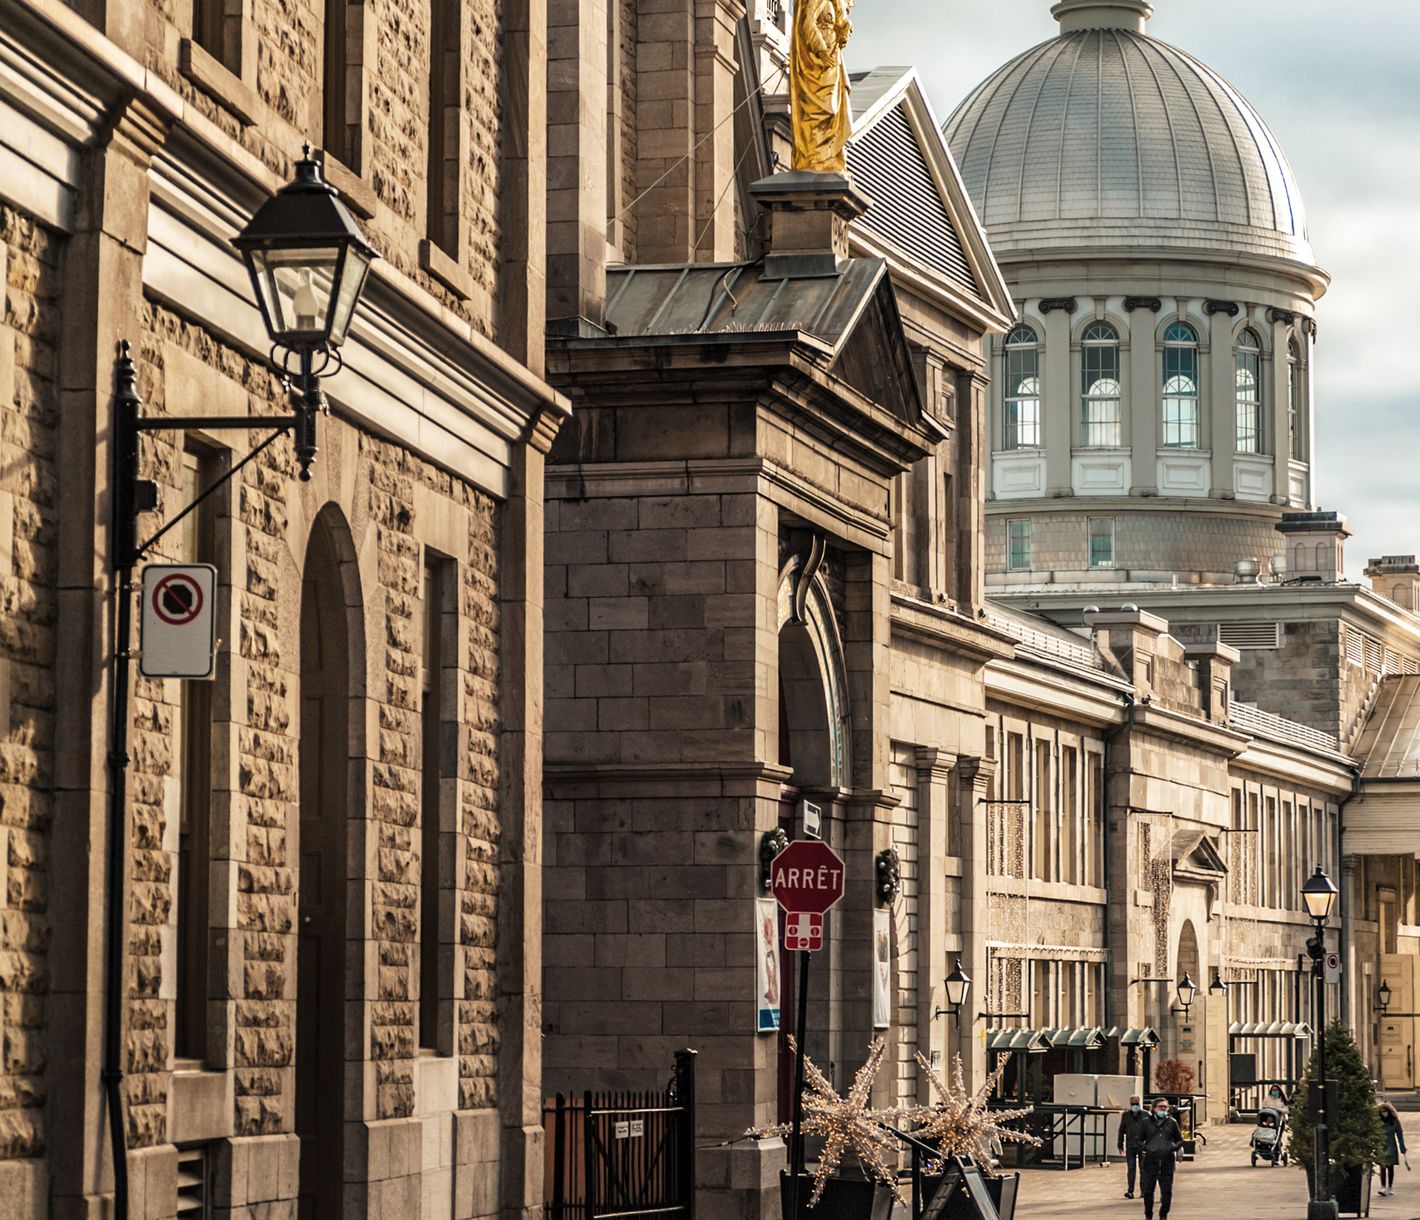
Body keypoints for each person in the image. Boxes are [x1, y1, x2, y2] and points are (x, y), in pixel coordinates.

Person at [1140, 1097, 1184, 1220]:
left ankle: (1163, 1214)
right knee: (1148, 1190)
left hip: (1167, 1160)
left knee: (1167, 1191)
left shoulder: (1172, 1122)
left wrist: (1173, 1147)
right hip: (1150, 1159)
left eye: (1165, 1107)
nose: (1163, 1109)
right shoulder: (1145, 1122)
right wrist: (1146, 1148)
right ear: (1154, 1109)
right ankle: (1148, 1214)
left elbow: (1179, 1139)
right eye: (1161, 1107)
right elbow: (1138, 1140)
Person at [1117, 1095, 1149, 1199]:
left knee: (1143, 1169)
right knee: (1131, 1168)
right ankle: (1130, 1191)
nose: (1135, 1106)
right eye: (1133, 1104)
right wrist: (1120, 1144)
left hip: (1143, 1145)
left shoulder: (1146, 1114)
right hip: (1130, 1145)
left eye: (1136, 1104)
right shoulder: (1126, 1115)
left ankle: (1144, 1191)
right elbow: (1121, 1130)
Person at [1379, 1101, 1407, 1197]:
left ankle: (1390, 1186)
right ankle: (1383, 1186)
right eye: (1382, 1111)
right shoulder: (1377, 1121)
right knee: (1382, 1167)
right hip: (1381, 1146)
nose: (1384, 1113)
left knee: (1390, 1167)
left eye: (1386, 1111)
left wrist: (1402, 1147)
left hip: (1391, 1146)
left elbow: (1399, 1134)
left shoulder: (1394, 1121)